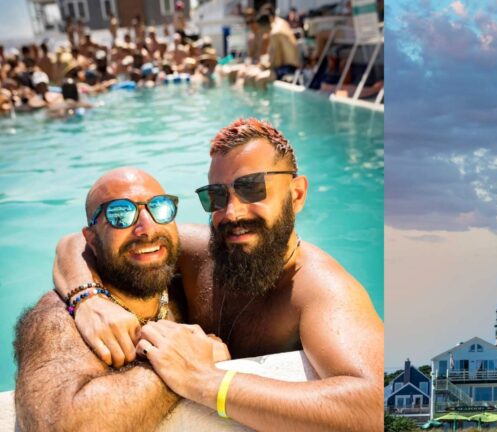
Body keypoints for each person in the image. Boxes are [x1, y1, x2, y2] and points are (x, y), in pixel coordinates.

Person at [53, 118, 383, 431]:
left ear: (296, 195)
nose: (231, 212)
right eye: (217, 196)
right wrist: (87, 299)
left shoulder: (320, 289)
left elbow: (375, 406)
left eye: (253, 189)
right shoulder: (204, 250)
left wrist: (206, 381)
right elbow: (76, 243)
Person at [14, 168, 231, 430]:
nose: (146, 228)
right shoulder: (59, 319)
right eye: (120, 214)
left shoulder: (182, 279)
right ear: (91, 239)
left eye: (160, 208)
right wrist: (188, 362)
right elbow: (63, 426)